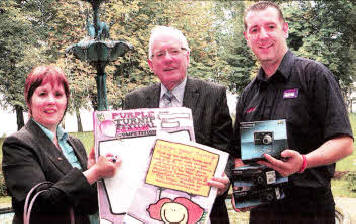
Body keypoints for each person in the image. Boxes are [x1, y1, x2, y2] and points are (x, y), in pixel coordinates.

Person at [231, 1, 354, 224]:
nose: (262, 35)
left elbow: (344, 142)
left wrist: (303, 162)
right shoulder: (249, 93)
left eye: (270, 27)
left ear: (285, 29)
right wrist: (242, 185)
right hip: (262, 213)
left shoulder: (314, 75)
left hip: (310, 211)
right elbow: (239, 154)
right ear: (246, 36)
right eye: (254, 30)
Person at [124, 26, 233, 223]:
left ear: (187, 57)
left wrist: (225, 179)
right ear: (151, 64)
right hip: (147, 212)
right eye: (160, 54)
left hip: (203, 210)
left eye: (174, 51)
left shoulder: (213, 95)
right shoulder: (134, 102)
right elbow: (127, 155)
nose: (168, 58)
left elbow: (227, 151)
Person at [2, 65, 120, 224]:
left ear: (66, 101)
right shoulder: (17, 144)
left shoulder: (75, 144)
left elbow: (89, 206)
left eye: (58, 94)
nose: (51, 101)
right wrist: (94, 173)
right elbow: (39, 204)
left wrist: (93, 174)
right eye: (42, 94)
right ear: (29, 100)